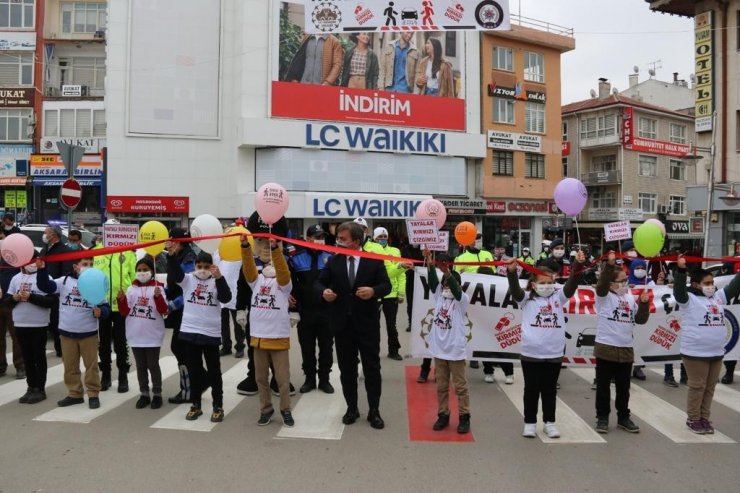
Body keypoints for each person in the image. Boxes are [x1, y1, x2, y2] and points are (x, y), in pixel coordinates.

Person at [316, 221, 391, 429]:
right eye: (338, 239)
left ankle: (374, 410)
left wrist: (373, 291)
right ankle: (352, 408)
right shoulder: (333, 261)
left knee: (372, 368)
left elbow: (386, 285)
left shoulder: (373, 261)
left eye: (343, 240)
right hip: (342, 324)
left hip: (367, 324)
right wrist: (324, 292)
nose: (338, 243)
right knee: (347, 370)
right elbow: (319, 283)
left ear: (356, 241)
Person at [506, 252, 585, 439]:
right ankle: (530, 423)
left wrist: (577, 265)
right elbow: (515, 289)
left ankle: (550, 423)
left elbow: (572, 284)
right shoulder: (526, 299)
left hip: (554, 353)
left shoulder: (559, 297)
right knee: (531, 390)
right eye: (542, 283)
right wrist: (511, 273)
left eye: (550, 282)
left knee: (549, 391)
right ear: (533, 284)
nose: (547, 286)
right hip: (531, 354)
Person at [673, 256, 740, 434]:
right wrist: (680, 271)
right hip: (695, 353)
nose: (711, 285)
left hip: (716, 353)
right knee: (697, 386)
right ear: (696, 285)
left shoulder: (717, 298)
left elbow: (733, 288)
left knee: (710, 387)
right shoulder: (688, 300)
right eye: (707, 283)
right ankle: (693, 418)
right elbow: (678, 291)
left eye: (712, 282)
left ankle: (704, 417)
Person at [36, 256, 110, 409]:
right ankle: (75, 393)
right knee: (70, 366)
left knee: (91, 366)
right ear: (76, 266)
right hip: (67, 331)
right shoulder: (64, 281)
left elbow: (105, 307)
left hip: (88, 332)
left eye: (91, 264)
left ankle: (93, 394)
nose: (88, 266)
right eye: (84, 264)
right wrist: (42, 269)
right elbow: (45, 286)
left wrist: (101, 312)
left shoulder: (96, 283)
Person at [169, 250, 231, 422]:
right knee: (194, 371)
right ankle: (195, 404)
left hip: (210, 333)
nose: (202, 270)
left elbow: (226, 298)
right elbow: (175, 273)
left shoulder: (216, 281)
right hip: (190, 332)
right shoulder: (188, 280)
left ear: (212, 267)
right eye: (199, 266)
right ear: (195, 266)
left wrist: (219, 278)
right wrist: (172, 256)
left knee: (214, 372)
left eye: (206, 267)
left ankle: (217, 405)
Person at [593, 252, 650, 434]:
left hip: (625, 349)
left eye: (626, 280)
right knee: (603, 388)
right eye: (621, 280)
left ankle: (623, 417)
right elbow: (601, 286)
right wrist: (609, 267)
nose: (625, 283)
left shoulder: (629, 298)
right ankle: (602, 418)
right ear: (611, 283)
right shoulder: (603, 297)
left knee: (623, 388)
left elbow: (640, 320)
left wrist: (643, 304)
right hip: (606, 349)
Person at [242, 235, 294, 427]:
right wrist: (245, 246)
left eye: (275, 262)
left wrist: (275, 250)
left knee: (282, 380)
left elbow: (282, 270)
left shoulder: (284, 284)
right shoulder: (256, 281)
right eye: (269, 262)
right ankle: (266, 409)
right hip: (259, 338)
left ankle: (286, 409)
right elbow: (248, 267)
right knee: (260, 379)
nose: (271, 265)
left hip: (278, 338)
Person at [423, 249, 471, 434]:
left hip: (455, 351)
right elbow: (432, 281)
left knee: (460, 387)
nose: (447, 288)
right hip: (439, 350)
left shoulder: (462, 300)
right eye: (445, 286)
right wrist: (429, 261)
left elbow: (456, 289)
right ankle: (443, 415)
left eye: (450, 285)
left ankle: (464, 417)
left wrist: (447, 273)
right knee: (441, 387)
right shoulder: (438, 297)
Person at [117, 257, 169, 410]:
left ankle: (157, 394)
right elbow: (124, 311)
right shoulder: (131, 289)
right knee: (140, 366)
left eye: (145, 270)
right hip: (136, 334)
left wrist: (158, 297)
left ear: (152, 271)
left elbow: (164, 310)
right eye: (139, 270)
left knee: (153, 364)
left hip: (152, 334)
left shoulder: (158, 288)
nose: (142, 273)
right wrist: (121, 300)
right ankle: (144, 393)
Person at [289, 224, 334, 394]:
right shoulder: (296, 258)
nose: (319, 240)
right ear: (308, 239)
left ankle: (324, 379)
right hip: (306, 311)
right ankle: (309, 379)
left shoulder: (331, 257)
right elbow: (291, 283)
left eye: (321, 237)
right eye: (316, 237)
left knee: (327, 348)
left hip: (326, 311)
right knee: (307, 348)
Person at [94, 220, 137, 393]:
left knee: (120, 343)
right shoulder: (97, 251)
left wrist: (128, 296)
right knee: (103, 343)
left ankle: (123, 377)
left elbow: (134, 278)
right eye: (108, 231)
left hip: (120, 305)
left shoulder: (128, 252)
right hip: (102, 304)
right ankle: (105, 375)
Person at [9, 252, 56, 404]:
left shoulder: (44, 278)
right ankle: (31, 386)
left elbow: (51, 301)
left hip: (38, 324)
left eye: (32, 261)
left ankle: (40, 389)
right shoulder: (16, 278)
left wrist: (31, 297)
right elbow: (6, 303)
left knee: (38, 357)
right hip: (20, 323)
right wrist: (14, 298)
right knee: (27, 358)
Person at [163, 227, 197, 404]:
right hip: (179, 313)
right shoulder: (177, 257)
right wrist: (163, 293)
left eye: (173, 241)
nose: (170, 244)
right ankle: (193, 385)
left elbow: (189, 289)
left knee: (181, 349)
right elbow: (173, 284)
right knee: (180, 348)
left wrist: (172, 305)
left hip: (185, 312)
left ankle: (189, 390)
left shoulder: (189, 259)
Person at [476, 266, 515, 385]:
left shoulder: (500, 287)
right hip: (483, 323)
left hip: (499, 322)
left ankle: (509, 373)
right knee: (485, 349)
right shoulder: (476, 288)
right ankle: (488, 372)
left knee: (502, 349)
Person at [39, 224, 74, 357]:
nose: (44, 235)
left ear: (53, 235)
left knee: (57, 323)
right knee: (46, 323)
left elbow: (66, 273)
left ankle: (61, 349)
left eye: (46, 232)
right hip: (43, 291)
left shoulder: (64, 251)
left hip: (56, 293)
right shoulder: (45, 249)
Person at [373, 227, 406, 361]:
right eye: (379, 237)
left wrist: (401, 293)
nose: (382, 239)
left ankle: (393, 350)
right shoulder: (371, 251)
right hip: (375, 294)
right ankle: (373, 351)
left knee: (391, 325)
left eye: (384, 237)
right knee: (374, 325)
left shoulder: (395, 251)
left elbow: (401, 272)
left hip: (391, 294)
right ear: (374, 238)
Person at [0, 228, 23, 379]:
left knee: (17, 337)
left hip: (12, 303)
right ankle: (1, 366)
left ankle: (21, 366)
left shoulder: (16, 255)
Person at [215, 248, 245, 358]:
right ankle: (226, 346)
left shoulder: (238, 251)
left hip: (236, 291)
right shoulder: (218, 251)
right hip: (222, 290)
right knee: (223, 323)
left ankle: (240, 346)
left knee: (238, 322)